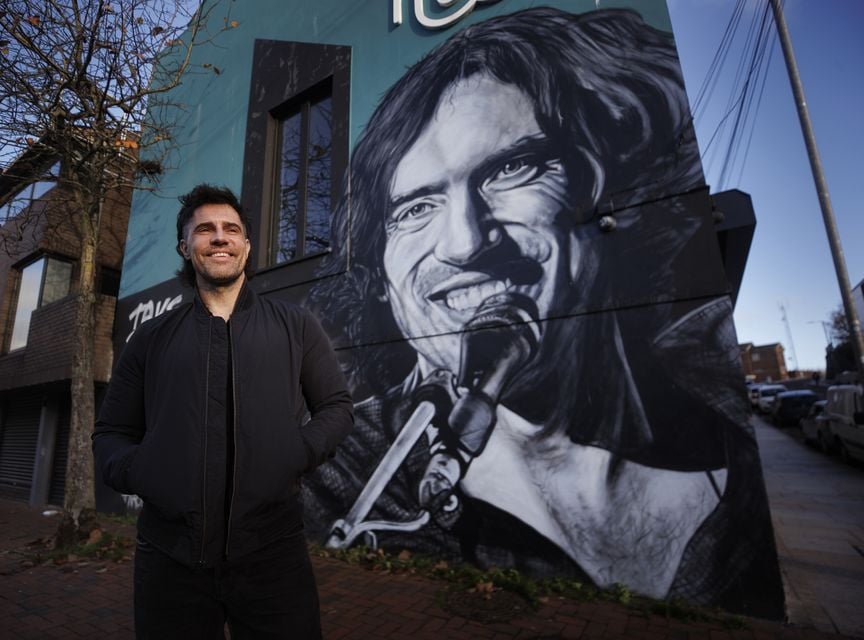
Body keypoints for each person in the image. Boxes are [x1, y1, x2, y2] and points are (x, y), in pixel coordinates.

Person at [301, 6, 782, 616]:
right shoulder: (343, 477)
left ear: (607, 196)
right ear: (383, 277)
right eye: (415, 208)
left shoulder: (726, 444)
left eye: (511, 168)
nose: (466, 242)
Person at [93, 184, 353, 639]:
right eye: (205, 229)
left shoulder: (295, 326)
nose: (219, 237)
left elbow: (336, 407)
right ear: (185, 246)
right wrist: (140, 469)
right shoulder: (150, 340)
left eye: (231, 229)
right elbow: (111, 432)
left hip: (273, 554)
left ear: (246, 246)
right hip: (169, 557)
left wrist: (298, 450)